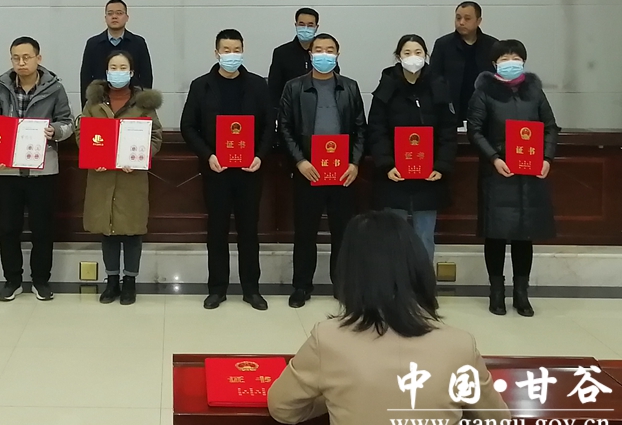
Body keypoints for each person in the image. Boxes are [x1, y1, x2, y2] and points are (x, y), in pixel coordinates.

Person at [269, 211, 510, 425]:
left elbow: (283, 409)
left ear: (350, 273)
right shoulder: (459, 345)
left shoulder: (327, 339)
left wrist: (332, 395)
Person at [180, 29, 274, 311]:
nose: (231, 55)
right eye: (226, 50)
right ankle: (217, 289)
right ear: (216, 52)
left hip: (249, 171)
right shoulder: (201, 86)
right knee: (217, 230)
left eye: (236, 50)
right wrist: (208, 155)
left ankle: (251, 289)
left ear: (243, 51)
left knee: (249, 231)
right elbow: (188, 126)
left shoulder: (258, 85)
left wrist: (260, 156)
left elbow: (269, 126)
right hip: (216, 170)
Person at [467, 39, 559, 318]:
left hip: (529, 174)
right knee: (495, 234)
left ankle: (521, 294)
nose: (511, 62)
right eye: (505, 58)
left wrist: (547, 158)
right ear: (495, 63)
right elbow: (475, 130)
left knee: (524, 235)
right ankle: (496, 292)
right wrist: (494, 158)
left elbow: (550, 127)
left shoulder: (534, 91)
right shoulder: (484, 92)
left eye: (516, 57)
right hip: (498, 172)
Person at [279, 33, 366, 308]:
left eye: (330, 50)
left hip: (342, 173)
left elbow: (361, 129)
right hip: (309, 171)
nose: (324, 55)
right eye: (319, 50)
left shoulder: (350, 87)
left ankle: (342, 285)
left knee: (343, 232)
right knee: (305, 233)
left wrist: (354, 163)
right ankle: (301, 286)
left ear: (338, 54)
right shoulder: (294, 87)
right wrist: (300, 162)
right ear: (310, 54)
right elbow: (285, 128)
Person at [0, 36, 74, 302]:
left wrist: (54, 131)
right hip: (7, 170)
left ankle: (40, 280)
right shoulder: (1, 87)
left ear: (38, 58)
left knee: (42, 229)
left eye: (26, 57)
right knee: (8, 229)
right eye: (16, 58)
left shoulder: (55, 88)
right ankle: (12, 280)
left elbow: (67, 123)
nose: (21, 62)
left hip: (42, 170)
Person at [79, 51, 163, 306]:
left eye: (122, 67)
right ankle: (112, 280)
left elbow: (155, 137)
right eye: (113, 67)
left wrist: (140, 157)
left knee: (132, 230)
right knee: (108, 230)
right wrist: (93, 155)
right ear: (106, 72)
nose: (117, 72)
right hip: (102, 177)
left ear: (131, 72)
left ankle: (130, 282)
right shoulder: (94, 103)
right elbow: (82, 133)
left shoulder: (144, 104)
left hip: (131, 178)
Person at [367, 34, 458, 260]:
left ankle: (423, 280)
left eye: (418, 53)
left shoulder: (438, 85)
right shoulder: (387, 87)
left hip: (429, 177)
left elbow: (448, 130)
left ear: (426, 56)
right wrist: (386, 164)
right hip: (394, 176)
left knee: (424, 236)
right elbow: (376, 129)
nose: (413, 57)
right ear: (398, 56)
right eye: (407, 53)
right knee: (393, 236)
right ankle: (394, 280)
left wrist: (441, 165)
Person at [431, 2, 499, 124]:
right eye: (458, 18)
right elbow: (434, 76)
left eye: (467, 19)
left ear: (478, 21)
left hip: (484, 108)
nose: (461, 22)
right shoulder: (443, 44)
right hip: (451, 109)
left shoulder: (492, 45)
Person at [267, 7, 338, 113]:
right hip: (290, 110)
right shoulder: (281, 53)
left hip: (321, 107)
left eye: (310, 25)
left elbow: (335, 81)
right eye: (301, 24)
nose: (305, 28)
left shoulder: (324, 54)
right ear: (296, 25)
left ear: (316, 27)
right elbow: (274, 89)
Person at [79, 0, 154, 93]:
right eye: (110, 13)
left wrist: (144, 100)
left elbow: (146, 76)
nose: (114, 17)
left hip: (132, 97)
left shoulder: (138, 43)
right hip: (101, 98)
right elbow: (85, 77)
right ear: (105, 18)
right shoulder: (93, 44)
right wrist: (88, 101)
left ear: (127, 17)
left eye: (119, 13)